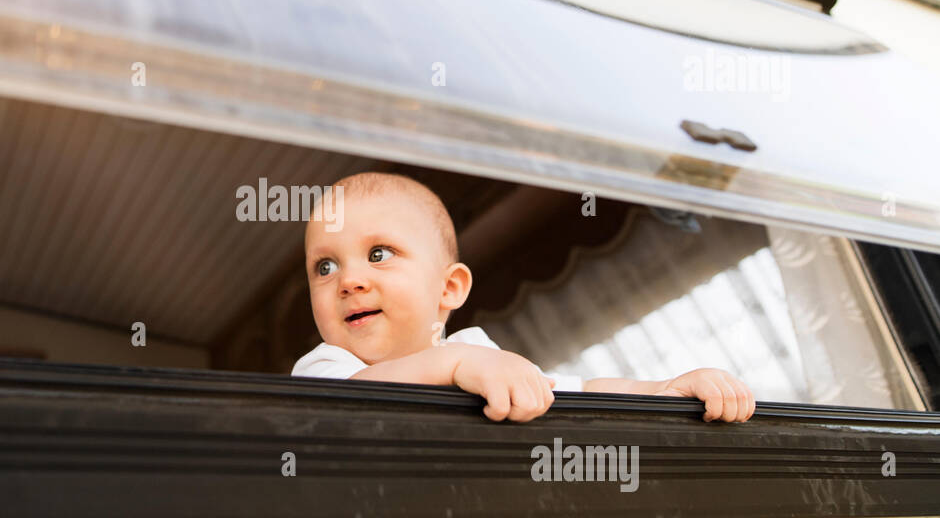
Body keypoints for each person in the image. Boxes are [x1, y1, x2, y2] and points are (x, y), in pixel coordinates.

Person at [292, 172, 756, 423]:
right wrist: (457, 365)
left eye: (378, 253)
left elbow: (577, 392)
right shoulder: (325, 366)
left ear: (448, 288)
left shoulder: (482, 357)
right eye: (325, 267)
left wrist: (661, 391)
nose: (348, 281)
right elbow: (354, 402)